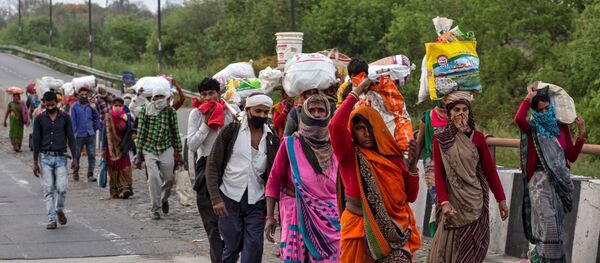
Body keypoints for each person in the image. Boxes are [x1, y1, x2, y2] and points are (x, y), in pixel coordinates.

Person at [330, 79, 421, 262]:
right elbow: (335, 126)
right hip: (357, 228)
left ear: (378, 129)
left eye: (369, 128)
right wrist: (358, 91)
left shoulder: (392, 157)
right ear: (353, 132)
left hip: (393, 233)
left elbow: (409, 197)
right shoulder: (350, 156)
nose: (366, 133)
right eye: (359, 129)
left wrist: (412, 167)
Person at [428, 91, 508, 263]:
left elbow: (489, 171)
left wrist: (501, 199)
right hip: (453, 201)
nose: (461, 114)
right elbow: (439, 174)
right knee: (448, 247)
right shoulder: (441, 140)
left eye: (465, 109)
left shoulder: (477, 138)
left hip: (475, 201)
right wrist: (444, 201)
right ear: (449, 113)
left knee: (474, 246)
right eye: (456, 110)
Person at [265, 94, 340, 262]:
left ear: (328, 114)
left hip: (331, 216)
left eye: (321, 110)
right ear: (304, 114)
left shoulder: (336, 144)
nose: (316, 114)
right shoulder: (290, 144)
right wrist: (270, 217)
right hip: (294, 210)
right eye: (311, 110)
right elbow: (273, 180)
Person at [205, 94, 280, 263]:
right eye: (257, 111)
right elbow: (212, 165)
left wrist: (273, 211)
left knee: (254, 248)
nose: (261, 115)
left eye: (265, 112)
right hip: (229, 198)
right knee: (231, 247)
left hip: (257, 201)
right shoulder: (231, 131)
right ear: (247, 110)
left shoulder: (271, 138)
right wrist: (216, 199)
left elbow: (275, 175)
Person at [514, 86, 585, 262]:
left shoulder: (561, 129)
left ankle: (539, 258)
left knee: (557, 230)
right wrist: (528, 98)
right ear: (534, 111)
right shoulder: (532, 128)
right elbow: (518, 119)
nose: (545, 112)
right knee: (549, 227)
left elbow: (571, 156)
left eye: (547, 108)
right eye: (540, 110)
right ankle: (541, 259)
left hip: (559, 184)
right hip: (539, 183)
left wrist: (582, 134)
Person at [187, 78, 237, 263]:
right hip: (206, 168)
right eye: (204, 94)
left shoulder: (231, 111)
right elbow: (192, 145)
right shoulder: (196, 114)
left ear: (219, 94)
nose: (208, 97)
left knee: (231, 223)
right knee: (212, 225)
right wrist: (206, 124)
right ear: (200, 97)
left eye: (212, 94)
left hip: (230, 168)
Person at [134, 86, 183, 220]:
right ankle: (155, 208)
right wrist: (139, 154)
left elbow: (175, 132)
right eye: (157, 97)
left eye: (162, 97)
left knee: (169, 179)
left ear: (166, 98)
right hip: (149, 148)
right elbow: (141, 132)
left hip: (165, 148)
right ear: (153, 98)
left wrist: (179, 152)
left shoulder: (170, 112)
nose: (159, 100)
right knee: (154, 178)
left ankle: (164, 198)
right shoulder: (146, 111)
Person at [32, 91, 78, 229]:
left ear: (57, 102)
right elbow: (36, 140)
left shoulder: (65, 117)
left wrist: (75, 158)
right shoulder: (39, 119)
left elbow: (71, 138)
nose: (50, 105)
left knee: (62, 188)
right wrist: (35, 162)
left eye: (52, 103)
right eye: (47, 103)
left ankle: (59, 209)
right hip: (45, 158)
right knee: (48, 189)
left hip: (61, 158)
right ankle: (52, 219)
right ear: (44, 103)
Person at [415, 99, 448, 235]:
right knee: (440, 202)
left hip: (454, 165)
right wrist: (411, 169)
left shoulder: (459, 114)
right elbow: (420, 143)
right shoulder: (428, 116)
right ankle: (439, 239)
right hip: (432, 166)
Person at [102, 97, 135, 199]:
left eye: (120, 106)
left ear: (123, 106)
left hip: (123, 147)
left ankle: (125, 188)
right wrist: (103, 148)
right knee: (114, 169)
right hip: (111, 149)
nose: (118, 107)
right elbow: (104, 134)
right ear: (112, 106)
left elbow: (130, 131)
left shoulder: (127, 117)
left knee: (125, 167)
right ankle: (116, 190)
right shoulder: (108, 117)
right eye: (115, 105)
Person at [70, 87, 99, 182]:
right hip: (79, 135)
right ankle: (75, 172)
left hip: (90, 134)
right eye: (82, 94)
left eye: (86, 94)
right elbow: (73, 121)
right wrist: (73, 134)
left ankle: (90, 174)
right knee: (77, 155)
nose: (84, 96)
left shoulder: (91, 105)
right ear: (78, 95)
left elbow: (97, 118)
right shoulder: (74, 106)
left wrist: (94, 129)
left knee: (92, 155)